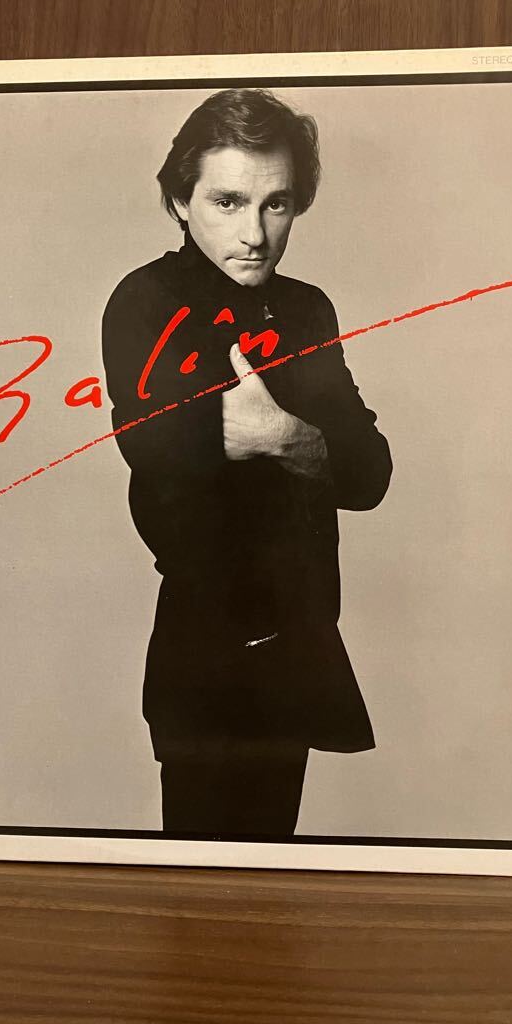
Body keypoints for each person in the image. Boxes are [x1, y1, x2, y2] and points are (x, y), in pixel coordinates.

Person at [101, 88, 392, 839]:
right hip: (205, 657)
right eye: (228, 202)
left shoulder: (308, 310)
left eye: (276, 204)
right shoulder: (144, 300)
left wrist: (281, 434)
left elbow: (369, 474)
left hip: (299, 646)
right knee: (202, 888)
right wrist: (296, 444)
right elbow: (155, 450)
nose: (255, 234)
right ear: (180, 201)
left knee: (270, 880)